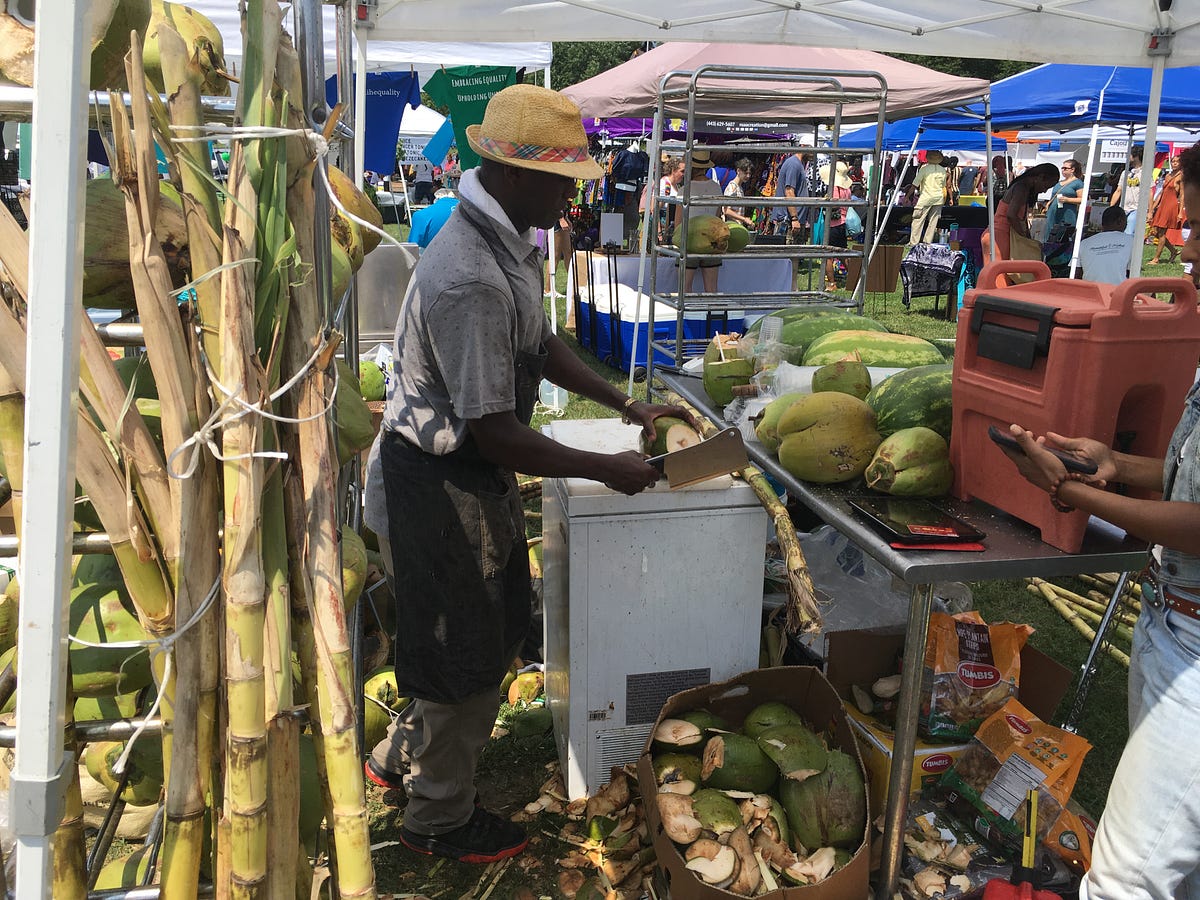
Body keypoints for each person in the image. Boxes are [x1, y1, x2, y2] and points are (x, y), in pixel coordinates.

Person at [364, 83, 690, 864]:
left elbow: (539, 348)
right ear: (511, 173)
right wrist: (601, 469)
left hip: (465, 467)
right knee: (464, 648)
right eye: (560, 179)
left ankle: (396, 761)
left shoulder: (508, 239)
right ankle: (437, 819)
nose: (571, 192)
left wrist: (623, 403)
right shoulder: (470, 275)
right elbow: (496, 433)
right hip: (441, 481)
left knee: (477, 628)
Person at [997, 140, 1200, 900]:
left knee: (1127, 879)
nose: (1186, 253)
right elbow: (1187, 478)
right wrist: (1113, 465)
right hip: (1175, 617)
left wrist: (1074, 494)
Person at [676, 148, 724, 296]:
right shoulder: (716, 188)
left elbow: (679, 223)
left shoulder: (685, 190)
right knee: (711, 290)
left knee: (685, 290)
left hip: (689, 241)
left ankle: (688, 319)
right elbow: (717, 218)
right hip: (711, 242)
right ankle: (710, 318)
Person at [991, 163, 1059, 260]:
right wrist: (1024, 237)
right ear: (1040, 177)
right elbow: (1011, 215)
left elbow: (1019, 218)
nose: (1044, 191)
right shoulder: (1021, 188)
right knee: (1000, 273)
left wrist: (1027, 236)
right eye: (1045, 186)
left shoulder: (1024, 188)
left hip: (1005, 235)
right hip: (1000, 235)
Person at [1078, 206, 1133, 285]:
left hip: (1091, 292)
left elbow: (1076, 273)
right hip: (1118, 293)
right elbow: (1133, 273)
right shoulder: (1131, 241)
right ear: (1120, 221)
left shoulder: (1084, 243)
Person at [823, 161, 853, 290]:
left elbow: (834, 203)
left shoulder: (835, 188)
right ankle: (855, 277)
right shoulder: (847, 189)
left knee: (827, 255)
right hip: (842, 223)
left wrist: (825, 201)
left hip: (833, 224)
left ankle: (831, 283)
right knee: (843, 253)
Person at [771, 149, 812, 243]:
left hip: (793, 221)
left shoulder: (798, 164)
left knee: (794, 254)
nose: (813, 154)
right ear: (803, 147)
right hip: (788, 221)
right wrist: (794, 218)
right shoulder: (793, 164)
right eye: (812, 150)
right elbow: (789, 191)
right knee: (788, 253)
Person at [1148, 157, 1184, 265]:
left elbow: (1182, 195)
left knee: (1162, 232)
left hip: (1171, 205)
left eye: (1177, 162)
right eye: (1173, 161)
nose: (1174, 163)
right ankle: (1173, 251)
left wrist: (1180, 211)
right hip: (1162, 204)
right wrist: (1153, 207)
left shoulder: (1181, 176)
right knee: (1155, 232)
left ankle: (1156, 258)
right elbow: (1161, 193)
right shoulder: (1168, 175)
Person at [908, 150, 947, 246]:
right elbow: (944, 186)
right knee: (933, 222)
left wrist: (908, 195)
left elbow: (915, 184)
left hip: (926, 197)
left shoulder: (924, 169)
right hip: (938, 197)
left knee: (918, 219)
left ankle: (914, 242)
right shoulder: (943, 170)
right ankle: (927, 242)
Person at [1043, 158, 1085, 240]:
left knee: (1063, 237)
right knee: (1049, 236)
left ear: (1072, 170)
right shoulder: (1058, 183)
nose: (1063, 170)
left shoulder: (1078, 183)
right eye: (1062, 168)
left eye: (1065, 168)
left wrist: (1067, 199)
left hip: (1067, 214)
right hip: (1053, 214)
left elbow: (1082, 199)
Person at [1109, 145, 1143, 236]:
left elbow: (1150, 192)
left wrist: (1150, 211)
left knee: (1128, 233)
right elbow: (1118, 190)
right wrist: (1111, 207)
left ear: (1135, 156)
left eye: (1129, 155)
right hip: (1123, 208)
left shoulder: (1144, 173)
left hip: (1136, 209)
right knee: (1118, 233)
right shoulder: (1125, 173)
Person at [722, 158, 755, 228]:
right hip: (731, 227)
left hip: (736, 226)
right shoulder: (732, 188)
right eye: (746, 173)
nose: (748, 176)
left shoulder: (739, 187)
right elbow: (726, 210)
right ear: (738, 171)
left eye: (750, 173)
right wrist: (744, 219)